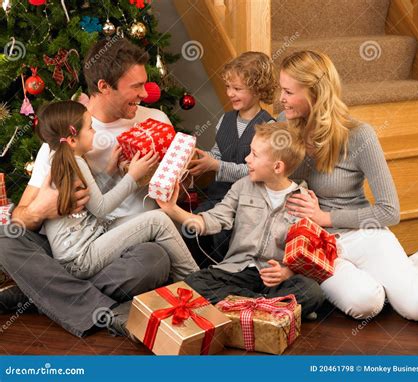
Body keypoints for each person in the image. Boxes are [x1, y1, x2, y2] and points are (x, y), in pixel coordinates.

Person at [0, 38, 185, 338]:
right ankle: (94, 307)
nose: (145, 94)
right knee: (5, 238)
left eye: (144, 84)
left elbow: (175, 186)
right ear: (103, 86)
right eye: (135, 87)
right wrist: (42, 208)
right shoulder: (65, 136)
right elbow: (21, 217)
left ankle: (40, 296)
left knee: (155, 260)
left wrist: (182, 171)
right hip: (76, 246)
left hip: (128, 249)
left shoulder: (157, 121)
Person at [278, 50, 418, 321]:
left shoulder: (359, 135)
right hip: (318, 242)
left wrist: (325, 216)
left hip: (363, 233)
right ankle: (393, 274)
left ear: (314, 93)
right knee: (366, 305)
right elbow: (267, 173)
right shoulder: (283, 125)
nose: (281, 99)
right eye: (281, 90)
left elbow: (389, 211)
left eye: (288, 92)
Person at [158, 123, 324, 318]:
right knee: (193, 283)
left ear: (277, 167)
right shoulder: (242, 186)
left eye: (254, 154)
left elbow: (309, 254)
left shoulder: (303, 200)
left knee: (312, 292)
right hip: (236, 272)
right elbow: (213, 220)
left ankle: (244, 307)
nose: (247, 159)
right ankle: (267, 309)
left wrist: (288, 272)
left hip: (274, 281)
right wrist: (172, 209)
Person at [37, 100, 198, 280]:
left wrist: (109, 172)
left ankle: (188, 280)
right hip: (79, 257)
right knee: (158, 220)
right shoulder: (75, 162)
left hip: (94, 234)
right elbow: (101, 208)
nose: (95, 131)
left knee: (159, 219)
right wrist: (133, 178)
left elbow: (91, 199)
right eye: (90, 128)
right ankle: (196, 280)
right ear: (73, 139)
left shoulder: (65, 158)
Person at [187, 52, 276, 266]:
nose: (230, 93)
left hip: (247, 203)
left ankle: (225, 275)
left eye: (237, 89)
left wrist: (216, 165)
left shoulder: (268, 127)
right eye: (228, 87)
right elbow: (218, 152)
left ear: (257, 89)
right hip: (216, 197)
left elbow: (254, 172)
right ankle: (199, 274)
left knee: (222, 238)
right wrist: (203, 158)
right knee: (192, 228)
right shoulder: (225, 120)